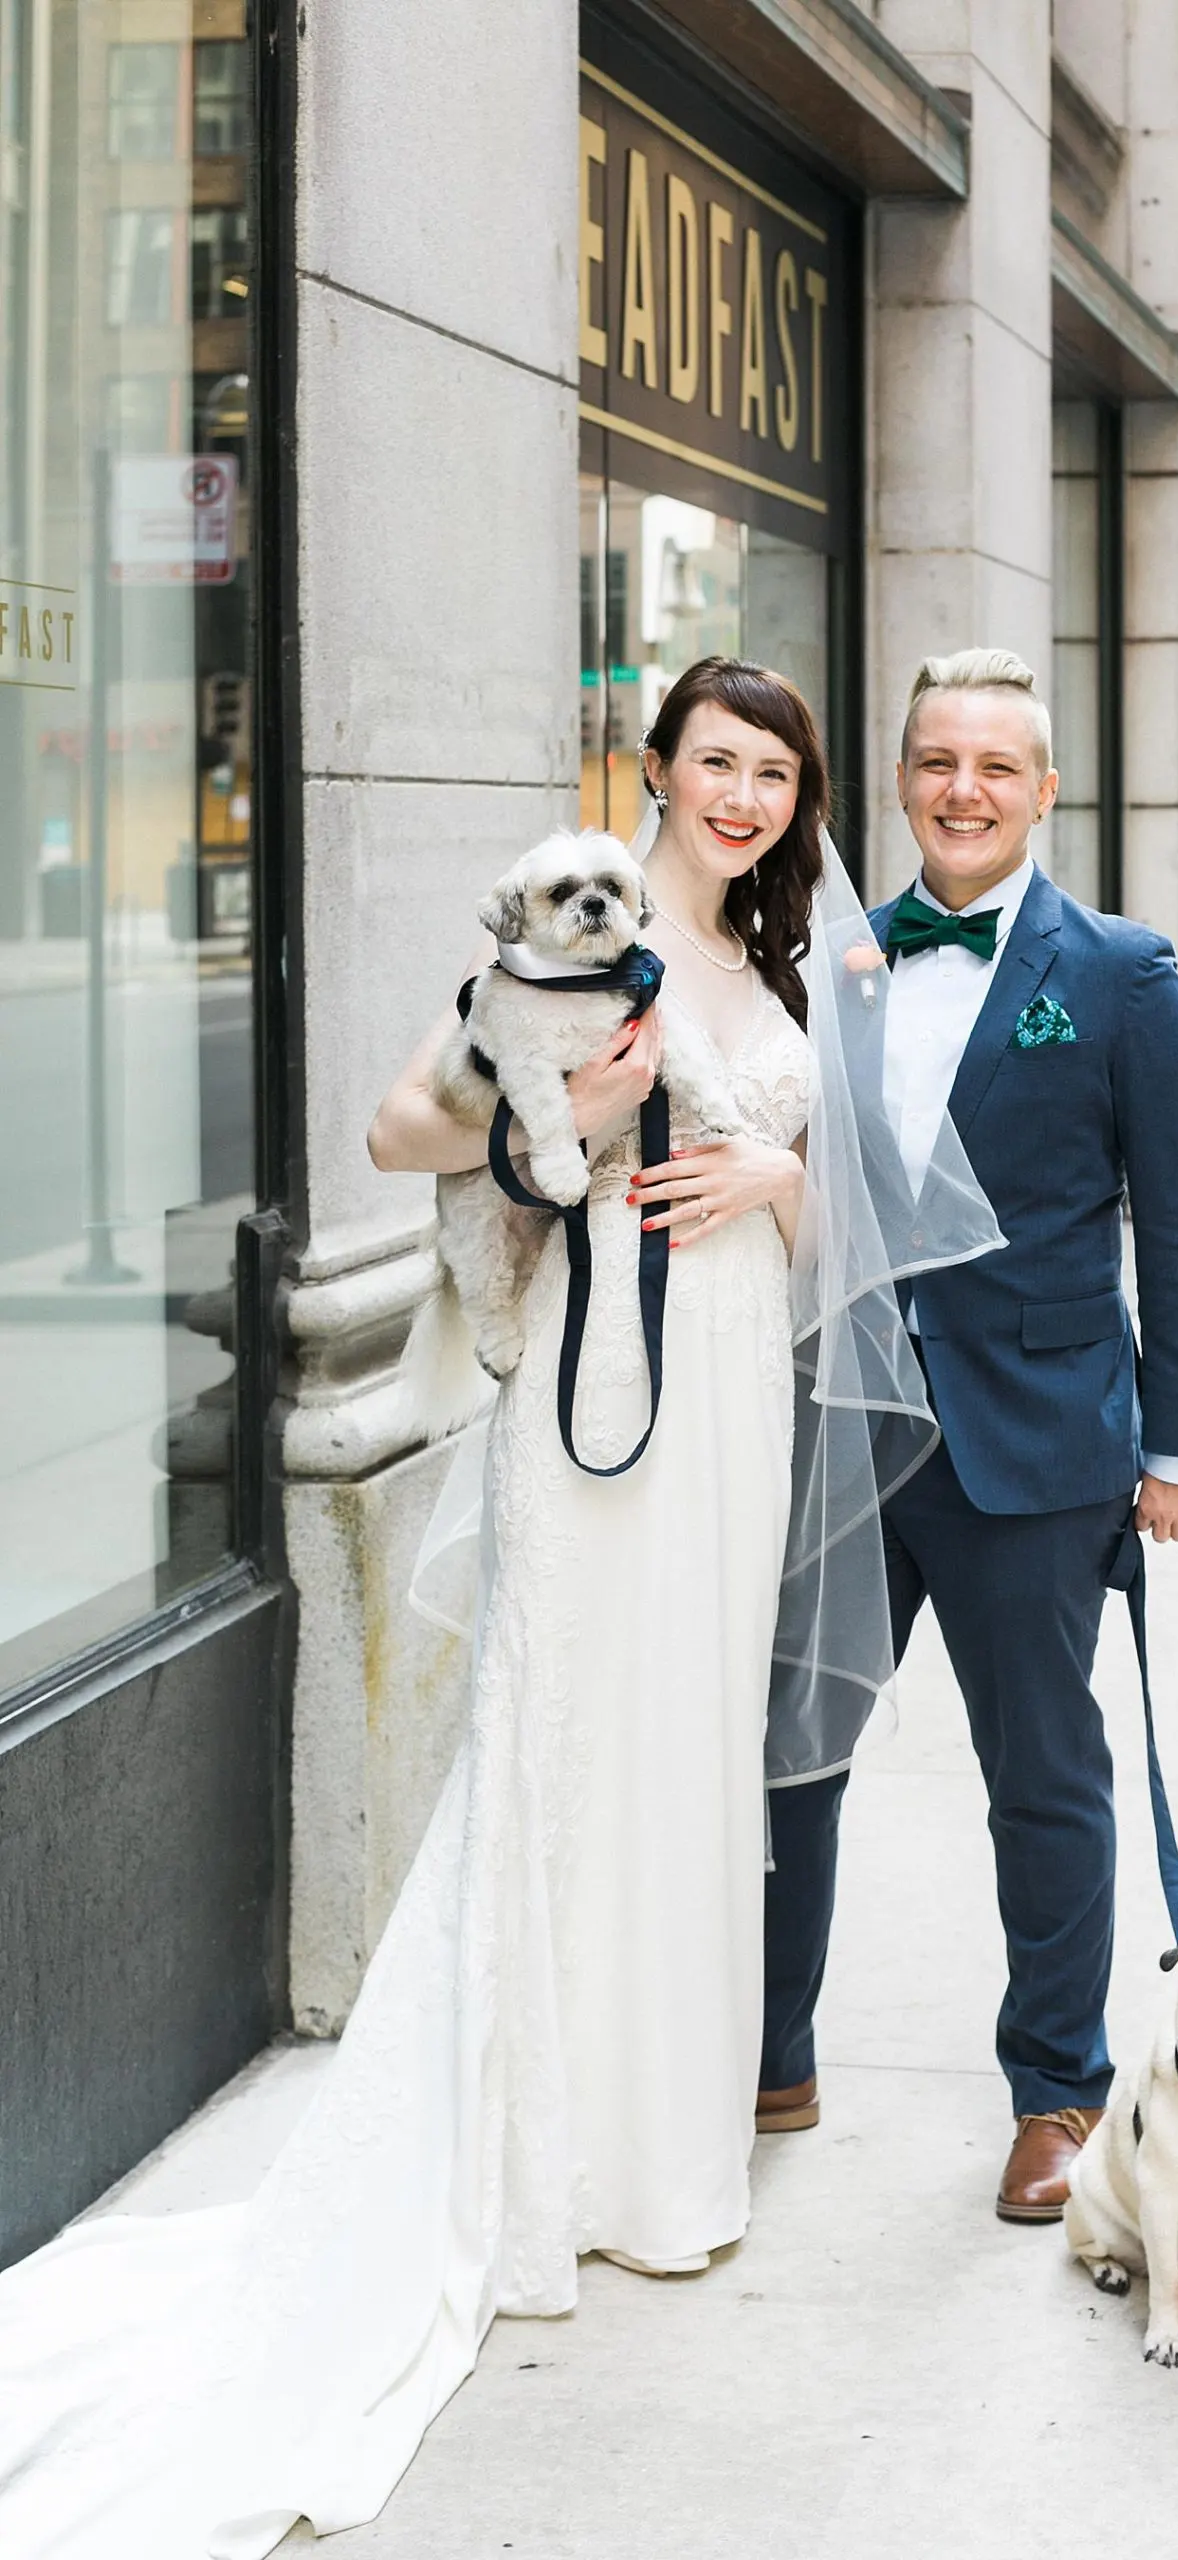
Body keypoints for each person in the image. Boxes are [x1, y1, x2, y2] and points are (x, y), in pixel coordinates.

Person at [0, 659, 901, 2553]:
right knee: (568, 1739)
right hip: (591, 1399)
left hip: (732, 1391)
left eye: (774, 775)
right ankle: (522, 2158)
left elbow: (827, 1226)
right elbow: (401, 1129)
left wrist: (774, 1177)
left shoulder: (784, 970)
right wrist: (564, 1103)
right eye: (714, 764)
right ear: (650, 769)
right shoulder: (563, 926)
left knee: (687, 1760)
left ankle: (664, 2154)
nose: (740, 798)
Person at [759, 649, 1178, 2222]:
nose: (961, 789)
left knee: (1039, 1774)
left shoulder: (1117, 974)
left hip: (1033, 1448)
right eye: (932, 760)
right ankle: (769, 2052)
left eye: (993, 765)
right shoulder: (828, 965)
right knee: (786, 1748)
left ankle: (1056, 2089)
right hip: (840, 1427)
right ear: (897, 784)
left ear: (1042, 791)